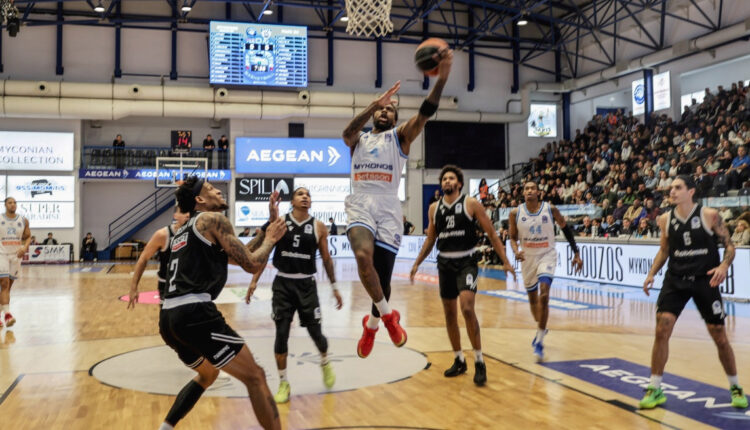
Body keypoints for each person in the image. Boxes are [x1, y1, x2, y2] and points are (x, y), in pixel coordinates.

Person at [132, 176, 287, 430]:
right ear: (200, 199)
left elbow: (242, 254)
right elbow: (252, 264)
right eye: (211, 188)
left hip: (169, 319)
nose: (218, 190)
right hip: (195, 313)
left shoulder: (187, 229)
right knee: (255, 376)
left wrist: (267, 226)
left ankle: (165, 428)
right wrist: (271, 239)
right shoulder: (213, 220)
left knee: (208, 374)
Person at [341, 46, 452, 358]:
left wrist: (442, 79)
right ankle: (389, 318)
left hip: (389, 206)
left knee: (383, 280)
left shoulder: (400, 137)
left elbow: (426, 112)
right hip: (361, 202)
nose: (384, 112)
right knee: (362, 256)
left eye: (390, 110)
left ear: (395, 118)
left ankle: (371, 326)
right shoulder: (359, 139)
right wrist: (373, 104)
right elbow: (346, 134)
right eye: (381, 109)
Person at [641, 175, 747, 410]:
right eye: (671, 188)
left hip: (704, 280)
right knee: (662, 328)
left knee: (719, 335)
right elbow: (664, 251)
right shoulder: (665, 219)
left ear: (691, 192)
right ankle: (654, 388)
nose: (672, 191)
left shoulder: (710, 215)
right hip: (676, 279)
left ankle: (735, 386)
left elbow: (729, 245)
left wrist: (723, 266)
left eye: (678, 187)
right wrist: (651, 273)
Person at [410, 165, 514, 386]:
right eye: (444, 179)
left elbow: (491, 233)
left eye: (451, 178)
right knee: (449, 315)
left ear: (459, 183)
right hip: (445, 263)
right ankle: (459, 359)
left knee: (467, 308)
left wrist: (505, 261)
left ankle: (479, 360)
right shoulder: (434, 208)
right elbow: (430, 239)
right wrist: (417, 262)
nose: (447, 181)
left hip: (466, 261)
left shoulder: (471, 203)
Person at [245, 188, 343, 404]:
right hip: (283, 284)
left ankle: (325, 361)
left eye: (308, 194)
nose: (305, 197)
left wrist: (335, 287)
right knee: (281, 334)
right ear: (292, 201)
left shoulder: (318, 226)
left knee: (316, 334)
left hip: (307, 285)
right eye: (300, 194)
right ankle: (283, 383)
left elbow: (327, 259)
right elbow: (265, 252)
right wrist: (254, 280)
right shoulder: (280, 223)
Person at [508, 181, 583, 360]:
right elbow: (512, 237)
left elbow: (565, 228)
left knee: (544, 294)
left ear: (538, 192)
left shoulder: (550, 209)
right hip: (527, 259)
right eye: (526, 189)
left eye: (532, 188)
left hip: (546, 255)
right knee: (534, 303)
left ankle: (540, 341)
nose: (529, 191)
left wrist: (576, 253)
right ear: (523, 193)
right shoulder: (515, 213)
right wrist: (516, 251)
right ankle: (540, 327)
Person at [128, 206, 190, 306]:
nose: (187, 215)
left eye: (190, 211)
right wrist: (133, 287)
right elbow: (143, 259)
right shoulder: (163, 235)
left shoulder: (197, 234)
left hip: (190, 287)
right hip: (168, 288)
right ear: (175, 215)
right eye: (183, 211)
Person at [0, 197, 31, 328]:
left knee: (7, 288)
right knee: (4, 283)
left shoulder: (23, 220)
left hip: (16, 255)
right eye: (10, 203)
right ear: (5, 205)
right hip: (2, 254)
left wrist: (24, 248)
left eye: (14, 203)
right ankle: (8, 315)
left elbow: (28, 237)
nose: (13, 205)